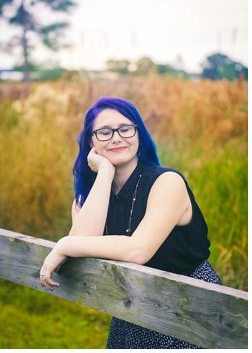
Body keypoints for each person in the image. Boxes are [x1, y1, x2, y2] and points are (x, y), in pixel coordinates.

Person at [39, 97, 218, 348]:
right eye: (104, 132)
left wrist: (64, 244)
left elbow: (138, 250)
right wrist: (105, 172)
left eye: (125, 129)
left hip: (191, 308)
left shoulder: (167, 182)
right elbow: (83, 244)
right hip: (132, 306)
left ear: (139, 135)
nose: (116, 138)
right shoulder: (87, 197)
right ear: (90, 142)